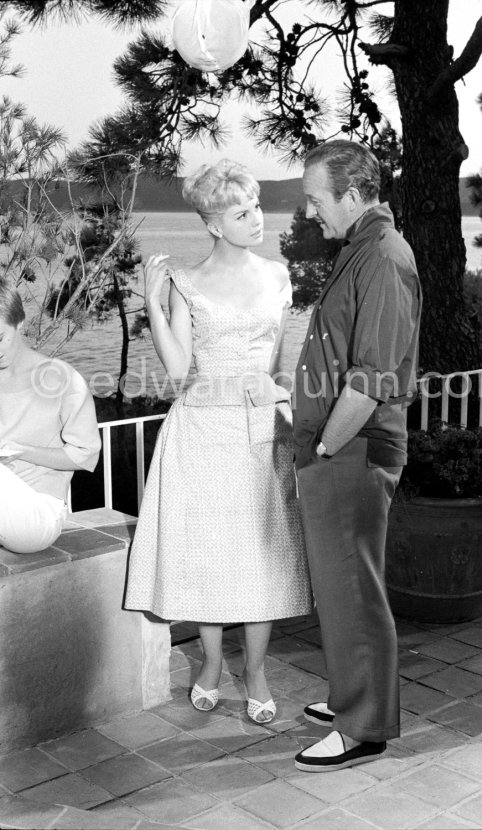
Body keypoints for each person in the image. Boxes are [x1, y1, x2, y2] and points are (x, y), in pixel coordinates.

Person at [125, 159, 312, 724]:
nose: (257, 218)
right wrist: (154, 306)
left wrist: (280, 397)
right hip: (202, 430)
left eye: (256, 206)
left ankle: (255, 672)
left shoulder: (277, 276)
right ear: (213, 225)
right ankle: (210, 666)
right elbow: (180, 371)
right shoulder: (188, 282)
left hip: (261, 430)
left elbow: (279, 362)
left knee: (261, 554)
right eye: (241, 212)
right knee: (209, 554)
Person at [292, 140, 422, 772]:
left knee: (352, 584)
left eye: (317, 199)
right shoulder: (362, 250)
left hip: (353, 447)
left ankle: (362, 725)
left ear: (350, 195)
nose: (310, 212)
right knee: (341, 585)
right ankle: (351, 693)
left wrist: (322, 444)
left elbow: (371, 378)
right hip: (342, 446)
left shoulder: (383, 257)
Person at [0, 279, 101, 554]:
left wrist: (21, 451)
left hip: (38, 513)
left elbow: (85, 455)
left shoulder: (61, 378)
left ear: (19, 321)